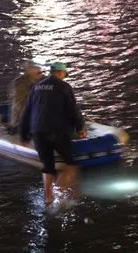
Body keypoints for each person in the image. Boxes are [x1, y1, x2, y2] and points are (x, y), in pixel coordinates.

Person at [19, 62, 85, 205]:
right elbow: (73, 110)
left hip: (37, 132)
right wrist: (80, 128)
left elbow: (26, 112)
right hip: (57, 131)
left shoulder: (36, 87)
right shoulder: (64, 86)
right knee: (70, 164)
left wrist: (23, 135)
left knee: (48, 166)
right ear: (61, 73)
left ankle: (48, 198)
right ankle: (60, 193)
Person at [9, 61, 43, 134]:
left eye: (39, 68)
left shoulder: (40, 81)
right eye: (36, 68)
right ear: (29, 71)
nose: (40, 70)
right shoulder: (19, 83)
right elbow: (20, 105)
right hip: (21, 124)